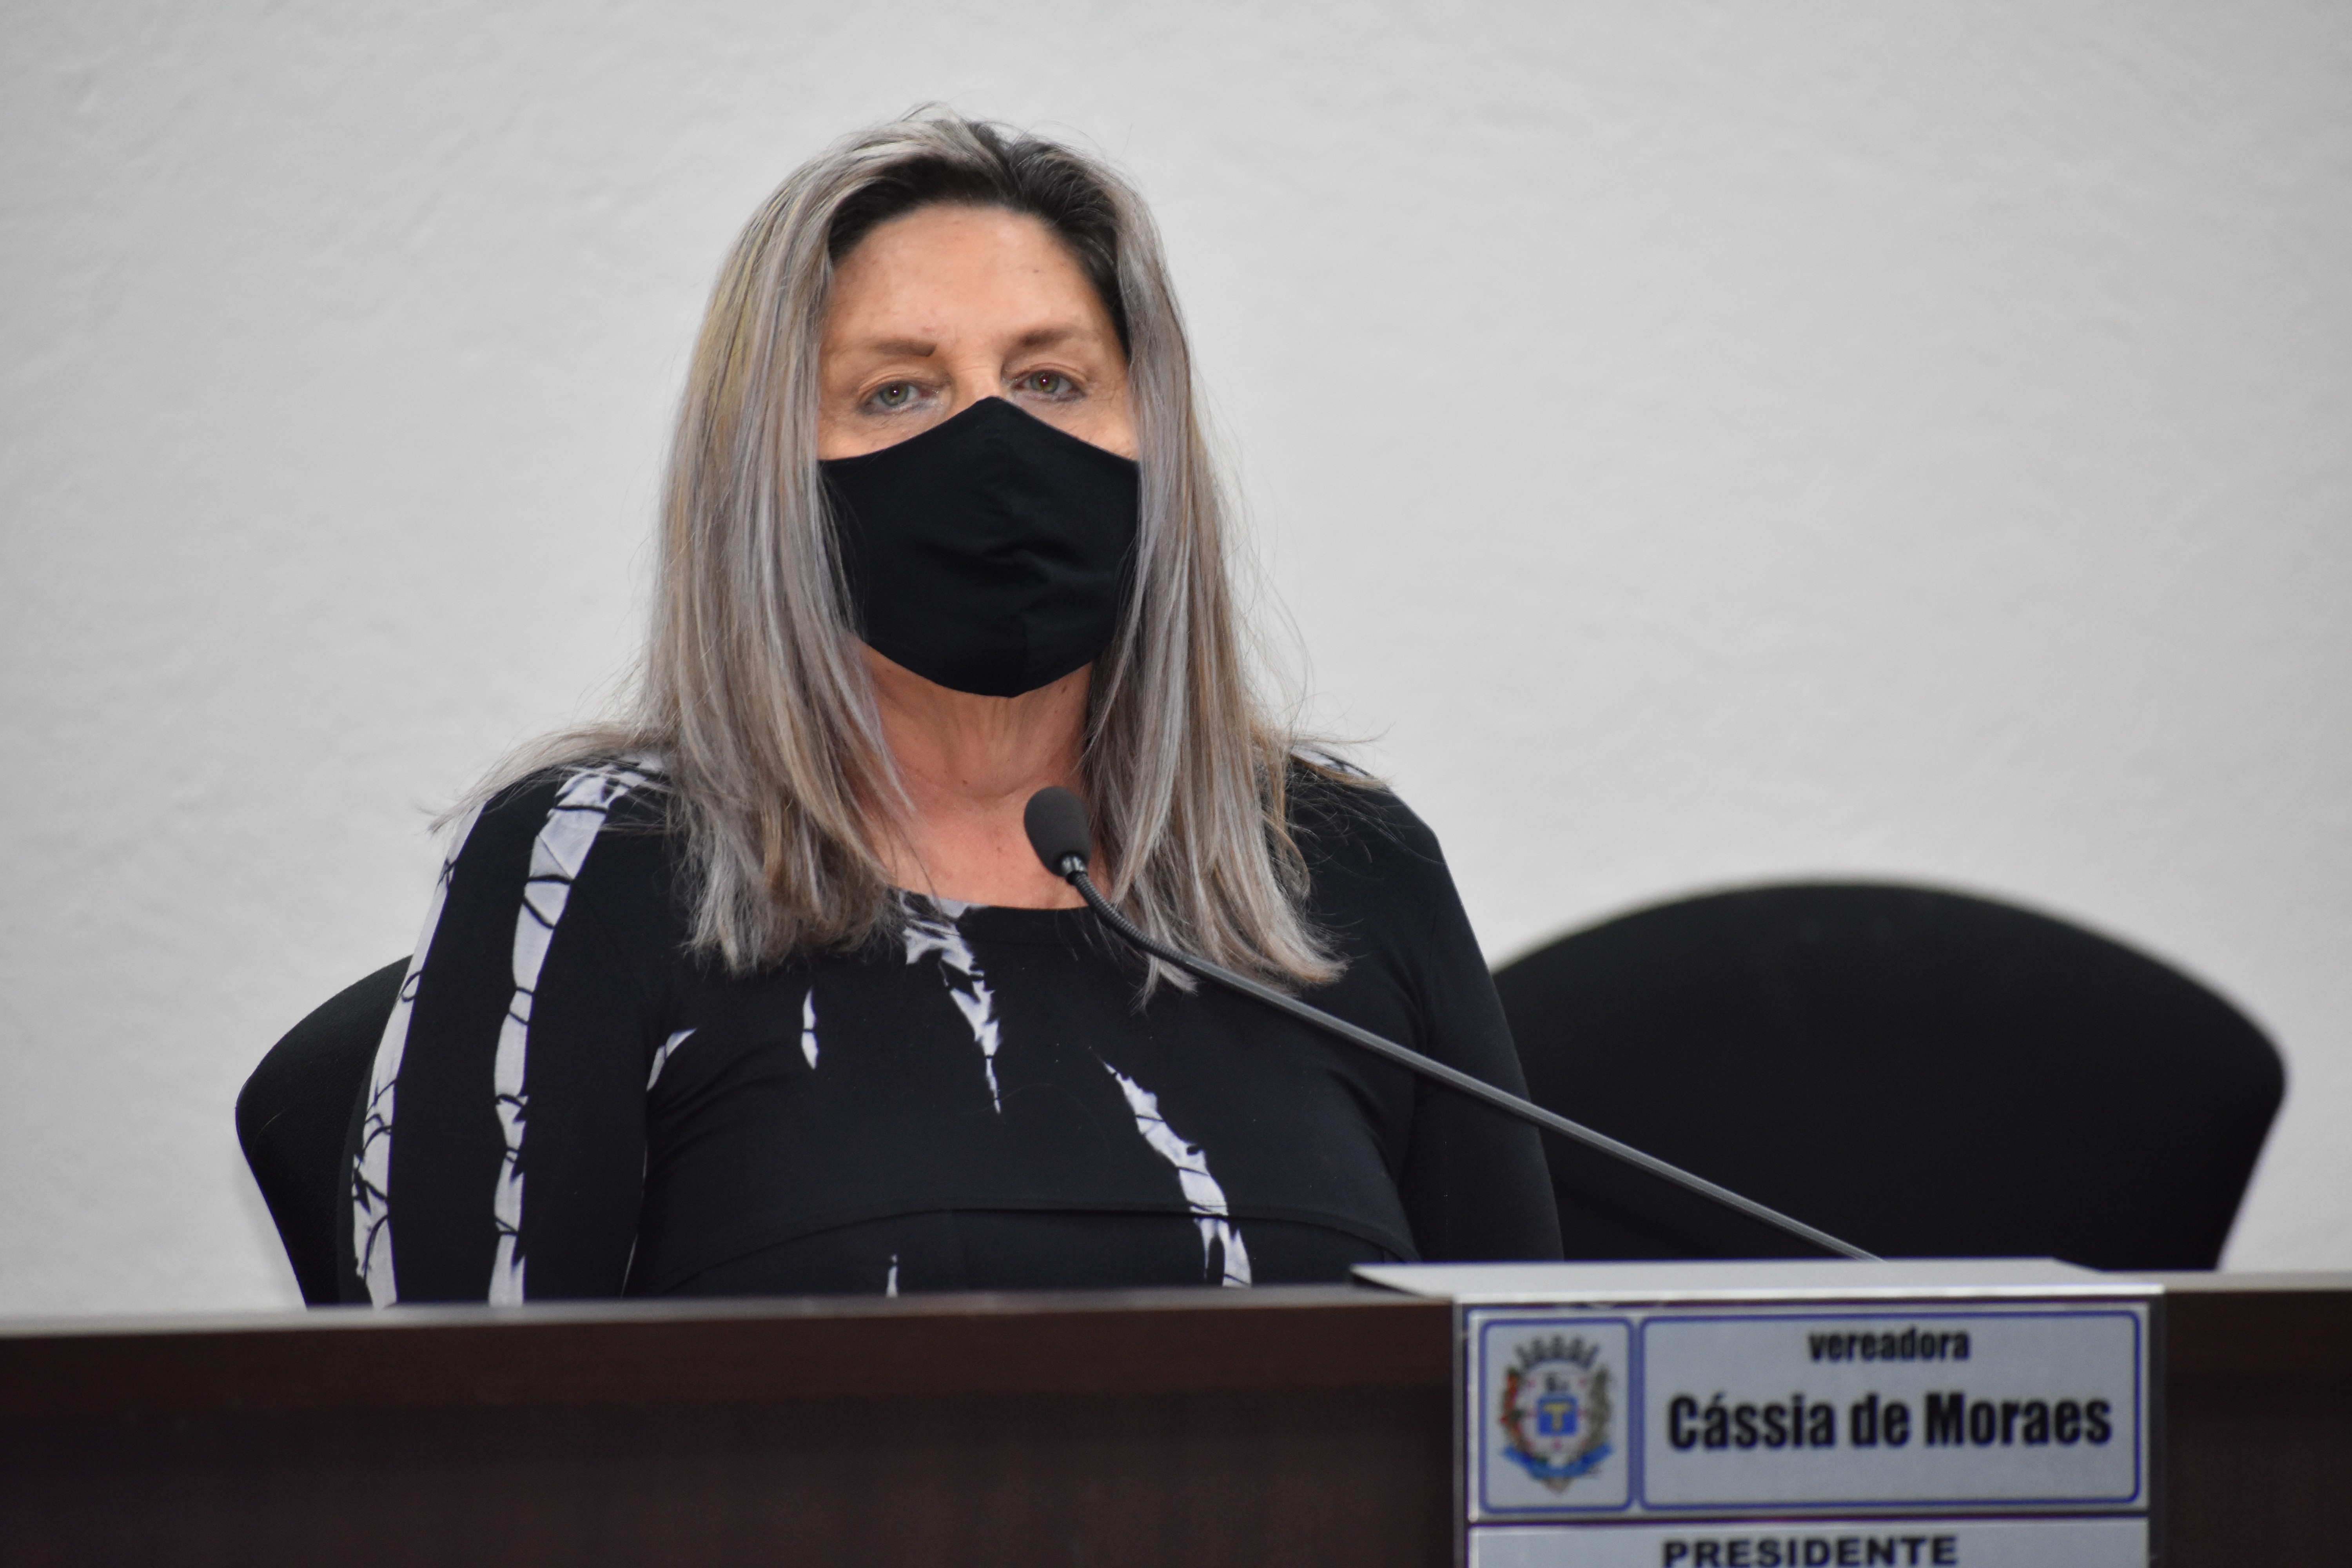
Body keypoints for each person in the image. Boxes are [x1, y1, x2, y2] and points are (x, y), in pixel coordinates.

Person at [341, 113, 1561, 1305]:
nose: (995, 445)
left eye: (1051, 380)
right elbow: (447, 1417)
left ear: (1156, 439)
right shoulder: (600, 865)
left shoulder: (1349, 866)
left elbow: (1536, 1392)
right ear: (769, 477)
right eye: (898, 393)